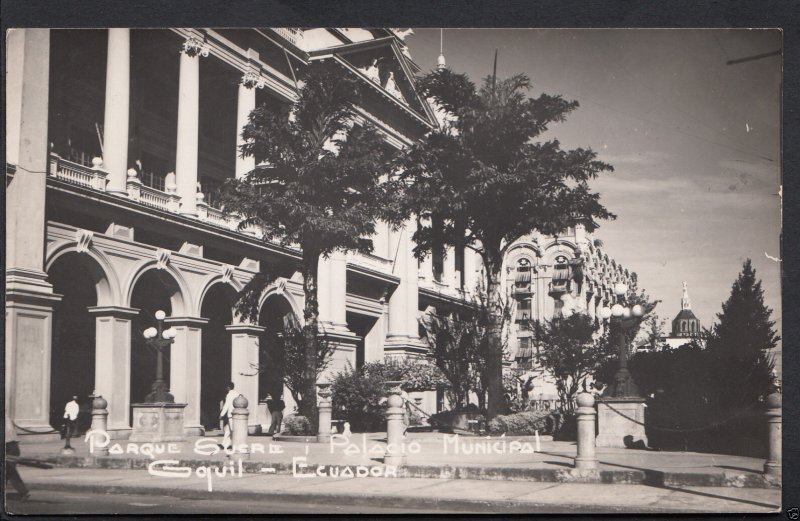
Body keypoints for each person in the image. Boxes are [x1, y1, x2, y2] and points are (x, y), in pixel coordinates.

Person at [5, 420, 30, 501]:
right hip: (13, 445)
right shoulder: (7, 417)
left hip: (7, 446)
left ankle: (23, 492)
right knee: (8, 470)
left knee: (9, 470)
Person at [219, 382, 237, 449]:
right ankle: (224, 444)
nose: (226, 388)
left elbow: (227, 405)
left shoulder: (230, 394)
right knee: (228, 430)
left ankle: (236, 444)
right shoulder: (236, 393)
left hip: (231, 414)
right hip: (234, 414)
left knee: (232, 430)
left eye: (226, 387)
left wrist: (221, 414)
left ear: (228, 387)